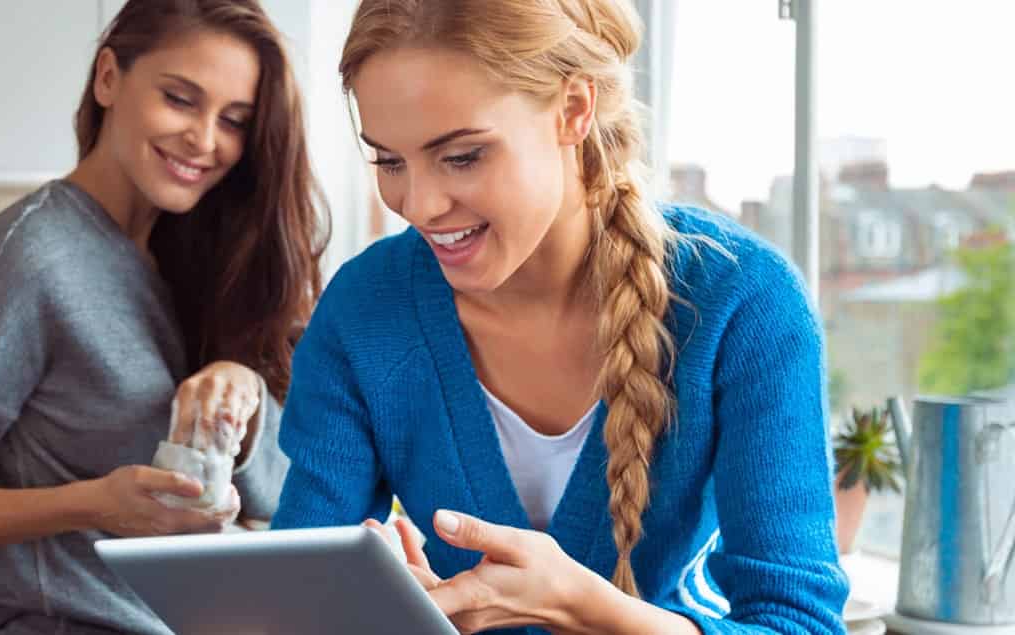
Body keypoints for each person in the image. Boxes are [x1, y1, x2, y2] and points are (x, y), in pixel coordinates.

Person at [271, 0, 848, 633]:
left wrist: (581, 606)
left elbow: (799, 624)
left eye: (462, 156)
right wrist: (376, 611)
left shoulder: (742, 303)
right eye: (389, 161)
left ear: (575, 109)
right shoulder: (364, 310)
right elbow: (295, 592)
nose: (420, 203)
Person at [0, 1, 324, 633]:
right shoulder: (27, 262)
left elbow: (278, 493)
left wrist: (240, 392)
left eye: (234, 121)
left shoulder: (201, 260)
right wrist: (97, 504)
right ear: (108, 79)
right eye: (180, 99)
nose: (205, 140)